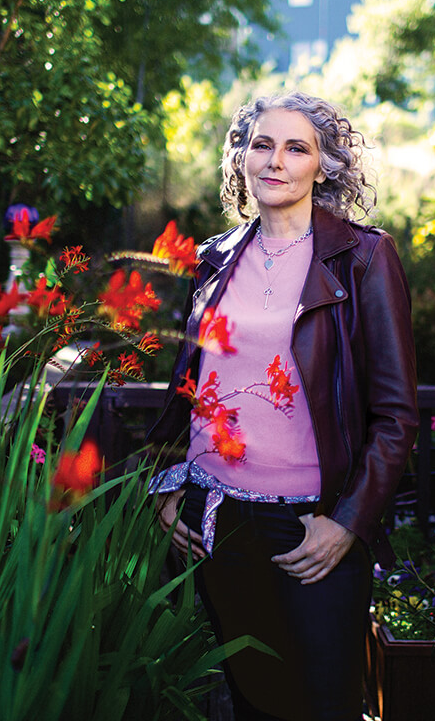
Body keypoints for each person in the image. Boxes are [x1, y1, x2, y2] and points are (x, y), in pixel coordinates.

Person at [146, 91, 419, 721]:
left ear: (324, 166)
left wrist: (348, 521)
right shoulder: (214, 259)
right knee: (250, 703)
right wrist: (168, 484)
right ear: (242, 158)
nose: (276, 161)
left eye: (297, 147)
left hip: (312, 528)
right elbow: (188, 383)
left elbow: (397, 414)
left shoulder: (363, 258)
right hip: (216, 522)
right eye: (262, 144)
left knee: (322, 706)